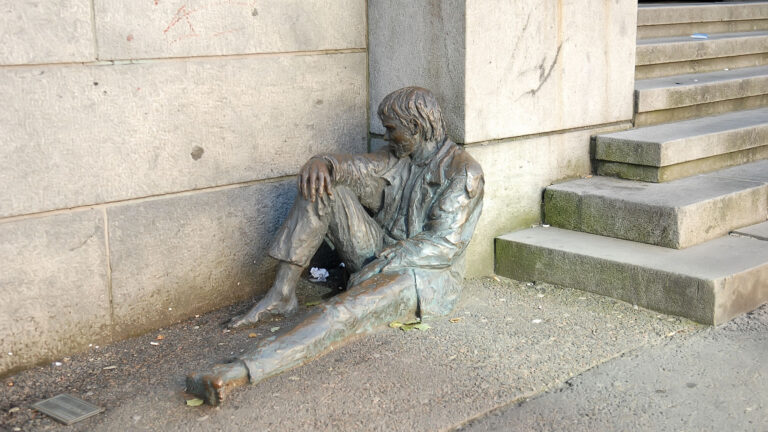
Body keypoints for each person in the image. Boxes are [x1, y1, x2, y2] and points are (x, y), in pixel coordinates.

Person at [186, 87, 484, 405]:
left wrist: (379, 266)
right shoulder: (400, 155)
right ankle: (281, 294)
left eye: (392, 129)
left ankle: (241, 369)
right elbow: (356, 165)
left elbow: (444, 245)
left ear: (416, 126)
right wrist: (322, 162)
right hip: (380, 248)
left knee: (341, 311)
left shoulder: (463, 171)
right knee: (323, 185)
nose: (388, 137)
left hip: (420, 274)